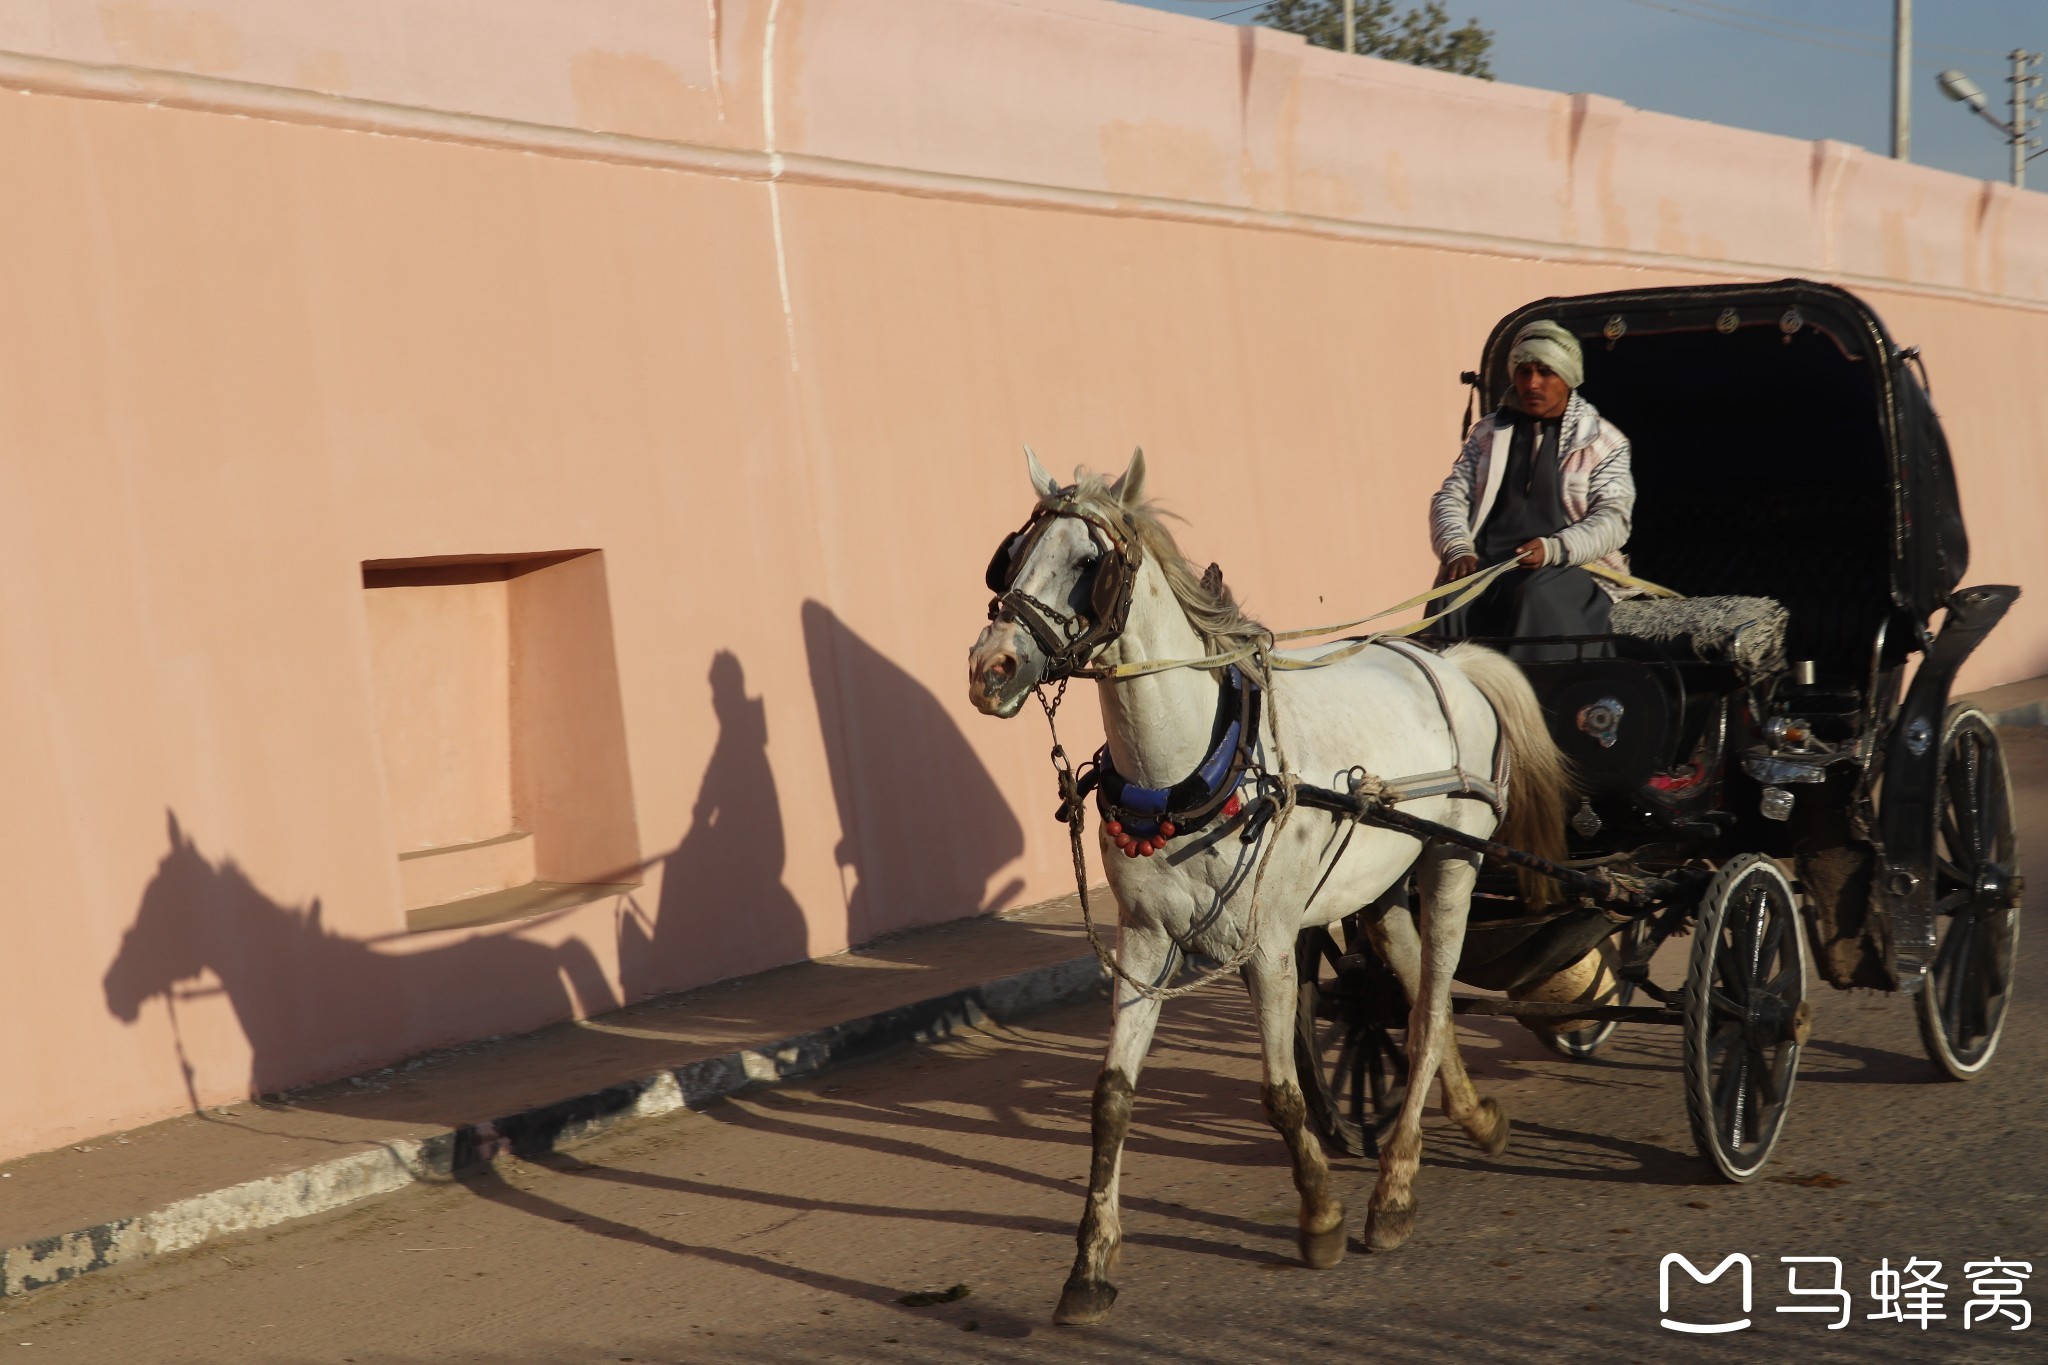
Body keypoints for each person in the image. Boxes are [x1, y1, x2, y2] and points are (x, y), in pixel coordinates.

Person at [1429, 320, 1636, 659]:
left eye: (1545, 372)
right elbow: (1450, 496)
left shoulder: (1603, 441)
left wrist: (1554, 549)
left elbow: (1613, 520)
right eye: (1524, 372)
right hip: (1491, 565)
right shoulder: (1487, 434)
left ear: (1568, 377)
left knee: (1535, 595)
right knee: (1450, 592)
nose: (1532, 383)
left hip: (1571, 569)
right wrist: (1457, 547)